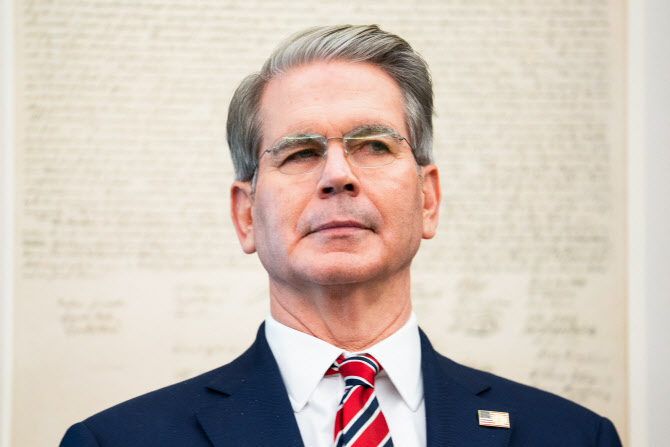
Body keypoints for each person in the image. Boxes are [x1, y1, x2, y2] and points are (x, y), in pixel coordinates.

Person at [60, 25, 622, 447]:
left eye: (374, 145)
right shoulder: (114, 442)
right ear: (246, 215)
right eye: (300, 153)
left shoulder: (574, 437)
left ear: (427, 199)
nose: (338, 175)